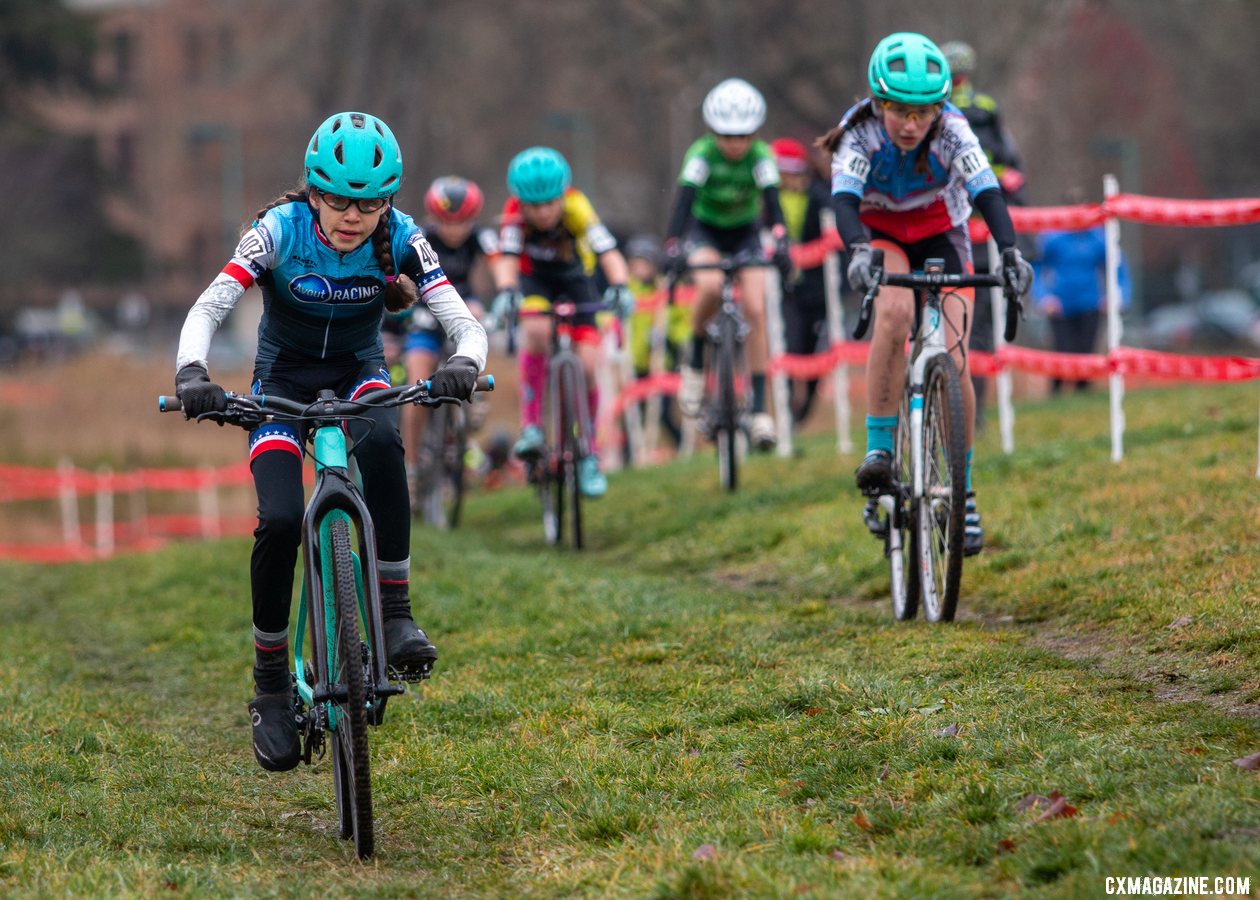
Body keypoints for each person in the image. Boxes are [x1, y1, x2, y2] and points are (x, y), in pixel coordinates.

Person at [173, 111, 487, 772]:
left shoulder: (402, 236)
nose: (352, 214)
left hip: (359, 374)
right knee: (282, 520)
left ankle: (395, 611)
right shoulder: (278, 232)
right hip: (279, 385)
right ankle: (270, 686)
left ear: (389, 201)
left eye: (370, 201)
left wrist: (463, 362)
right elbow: (210, 306)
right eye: (338, 198)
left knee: (380, 440)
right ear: (314, 190)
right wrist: (193, 374)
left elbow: (460, 318)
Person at [817, 32, 1033, 556]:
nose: (912, 124)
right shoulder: (859, 134)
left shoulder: (955, 129)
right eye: (900, 111)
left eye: (924, 112)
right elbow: (844, 201)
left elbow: (987, 191)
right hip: (882, 233)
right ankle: (880, 457)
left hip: (941, 230)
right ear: (878, 102)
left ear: (941, 106)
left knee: (956, 351)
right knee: (892, 314)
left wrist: (1009, 252)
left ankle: (964, 491)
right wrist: (858, 251)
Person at [490, 146, 633, 498]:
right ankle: (533, 428)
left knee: (587, 364)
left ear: (562, 196)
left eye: (549, 204)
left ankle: (589, 453)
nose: (542, 213)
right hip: (535, 281)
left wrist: (619, 285)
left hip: (575, 281)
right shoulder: (513, 214)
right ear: (520, 202)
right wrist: (507, 290)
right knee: (536, 331)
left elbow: (608, 252)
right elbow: (507, 258)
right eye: (533, 206)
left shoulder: (578, 207)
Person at [664, 78, 794, 451]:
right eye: (727, 136)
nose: (735, 144)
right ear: (713, 132)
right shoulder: (701, 154)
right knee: (707, 286)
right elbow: (684, 201)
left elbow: (773, 205)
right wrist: (673, 244)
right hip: (705, 231)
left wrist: (781, 239)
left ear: (754, 133)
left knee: (754, 307)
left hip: (745, 232)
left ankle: (757, 410)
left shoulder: (761, 157)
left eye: (743, 136)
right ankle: (693, 355)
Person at [940, 40, 1028, 429]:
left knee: (978, 323)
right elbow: (1008, 160)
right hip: (962, 221)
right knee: (969, 321)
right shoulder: (948, 109)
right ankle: (962, 405)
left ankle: (972, 408)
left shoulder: (985, 108)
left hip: (978, 225)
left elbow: (1008, 159)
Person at [397, 176, 497, 497]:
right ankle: (410, 470)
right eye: (445, 222)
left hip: (462, 306)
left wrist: (505, 297)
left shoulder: (482, 238)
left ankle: (476, 400)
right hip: (425, 314)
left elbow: (500, 266)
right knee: (417, 385)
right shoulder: (420, 236)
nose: (454, 230)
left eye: (462, 222)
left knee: (477, 325)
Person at [771, 136, 834, 425]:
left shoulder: (818, 196)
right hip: (783, 292)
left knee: (814, 352)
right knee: (789, 347)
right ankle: (786, 416)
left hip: (816, 290)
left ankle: (801, 413)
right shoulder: (768, 200)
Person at [1034, 224, 1128, 393]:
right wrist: (1043, 297)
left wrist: (1118, 297)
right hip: (1060, 308)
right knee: (1062, 351)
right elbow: (1036, 266)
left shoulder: (1098, 238)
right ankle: (1055, 394)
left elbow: (1118, 268)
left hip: (1090, 306)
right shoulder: (1052, 238)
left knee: (1087, 351)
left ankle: (1083, 393)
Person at [623, 233, 688, 451]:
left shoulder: (665, 290)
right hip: (635, 363)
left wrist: (671, 337)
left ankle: (681, 446)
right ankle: (631, 457)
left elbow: (681, 320)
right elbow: (610, 318)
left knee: (662, 415)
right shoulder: (627, 291)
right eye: (636, 264)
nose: (639, 269)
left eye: (644, 264)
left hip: (662, 363)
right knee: (631, 416)